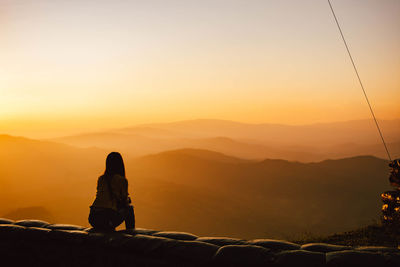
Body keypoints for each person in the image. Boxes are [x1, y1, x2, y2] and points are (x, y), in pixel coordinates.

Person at [89, 152, 135, 232]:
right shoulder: (122, 180)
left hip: (93, 218)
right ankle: (131, 234)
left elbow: (101, 197)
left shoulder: (101, 179)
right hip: (107, 219)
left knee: (111, 211)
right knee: (129, 209)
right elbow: (124, 202)